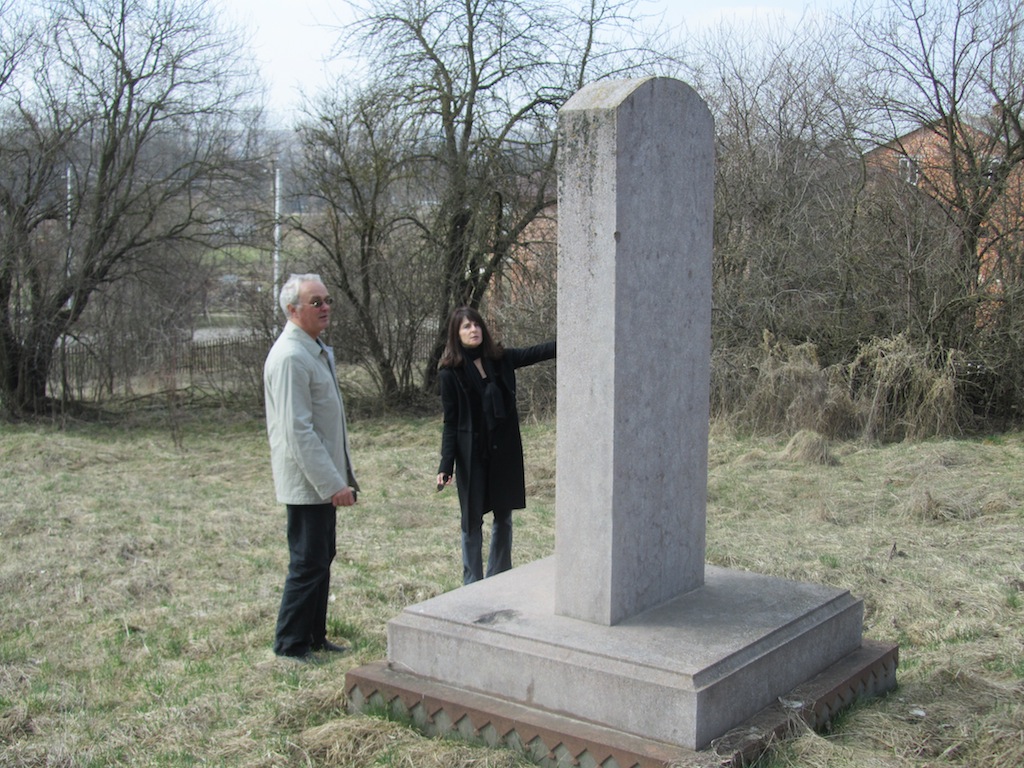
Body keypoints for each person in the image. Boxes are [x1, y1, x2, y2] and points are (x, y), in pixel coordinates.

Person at [263, 273, 359, 663]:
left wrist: (340, 478)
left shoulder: (313, 348)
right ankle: (290, 646)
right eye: (315, 302)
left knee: (322, 557)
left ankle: (314, 637)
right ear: (292, 310)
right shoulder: (290, 356)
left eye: (326, 299)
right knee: (307, 562)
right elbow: (297, 432)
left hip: (322, 480)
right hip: (308, 483)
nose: (325, 307)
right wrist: (331, 483)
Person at [436, 306, 555, 584]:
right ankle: (472, 584)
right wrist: (446, 464)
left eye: (476, 325)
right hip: (472, 454)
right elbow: (450, 423)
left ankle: (498, 578)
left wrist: (576, 336)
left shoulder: (501, 359)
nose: (473, 330)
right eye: (465, 327)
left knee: (504, 514)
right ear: (456, 334)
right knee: (472, 519)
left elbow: (538, 352)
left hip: (504, 451)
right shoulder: (449, 373)